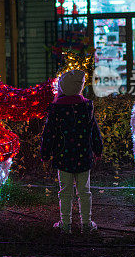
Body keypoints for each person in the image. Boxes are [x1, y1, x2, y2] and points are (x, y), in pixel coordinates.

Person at [41, 70, 103, 234]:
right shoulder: (86, 107)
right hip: (84, 156)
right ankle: (86, 224)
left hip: (64, 157)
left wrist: (45, 153)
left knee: (65, 191)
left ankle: (66, 224)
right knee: (84, 192)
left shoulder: (56, 109)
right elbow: (94, 131)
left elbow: (49, 133)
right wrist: (98, 149)